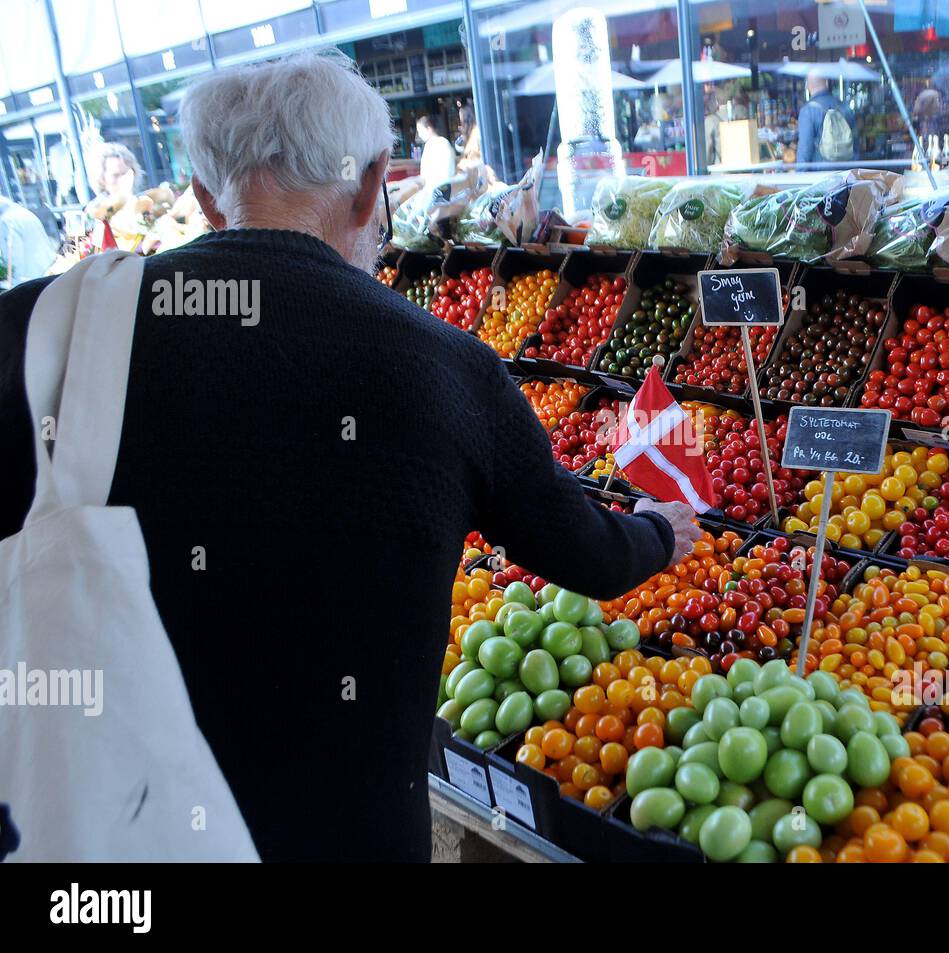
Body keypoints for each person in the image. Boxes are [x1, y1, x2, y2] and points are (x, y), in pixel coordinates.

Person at [0, 51, 700, 862]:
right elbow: (582, 550)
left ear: (203, 198)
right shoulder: (446, 369)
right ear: (372, 186)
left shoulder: (44, 332)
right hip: (355, 839)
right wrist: (656, 531)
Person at [796, 71, 855, 167]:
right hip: (845, 172)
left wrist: (800, 174)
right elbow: (854, 142)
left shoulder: (808, 111)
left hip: (820, 173)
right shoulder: (844, 107)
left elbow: (805, 148)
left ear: (807, 85)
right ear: (826, 83)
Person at [0, 195, 56, 287]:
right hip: (47, 272)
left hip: (30, 280)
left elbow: (13, 261)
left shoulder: (6, 222)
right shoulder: (22, 212)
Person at [414, 114, 456, 190]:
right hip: (432, 189)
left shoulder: (442, 143)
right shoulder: (430, 145)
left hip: (440, 189)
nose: (419, 135)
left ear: (429, 129)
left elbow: (447, 171)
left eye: (420, 131)